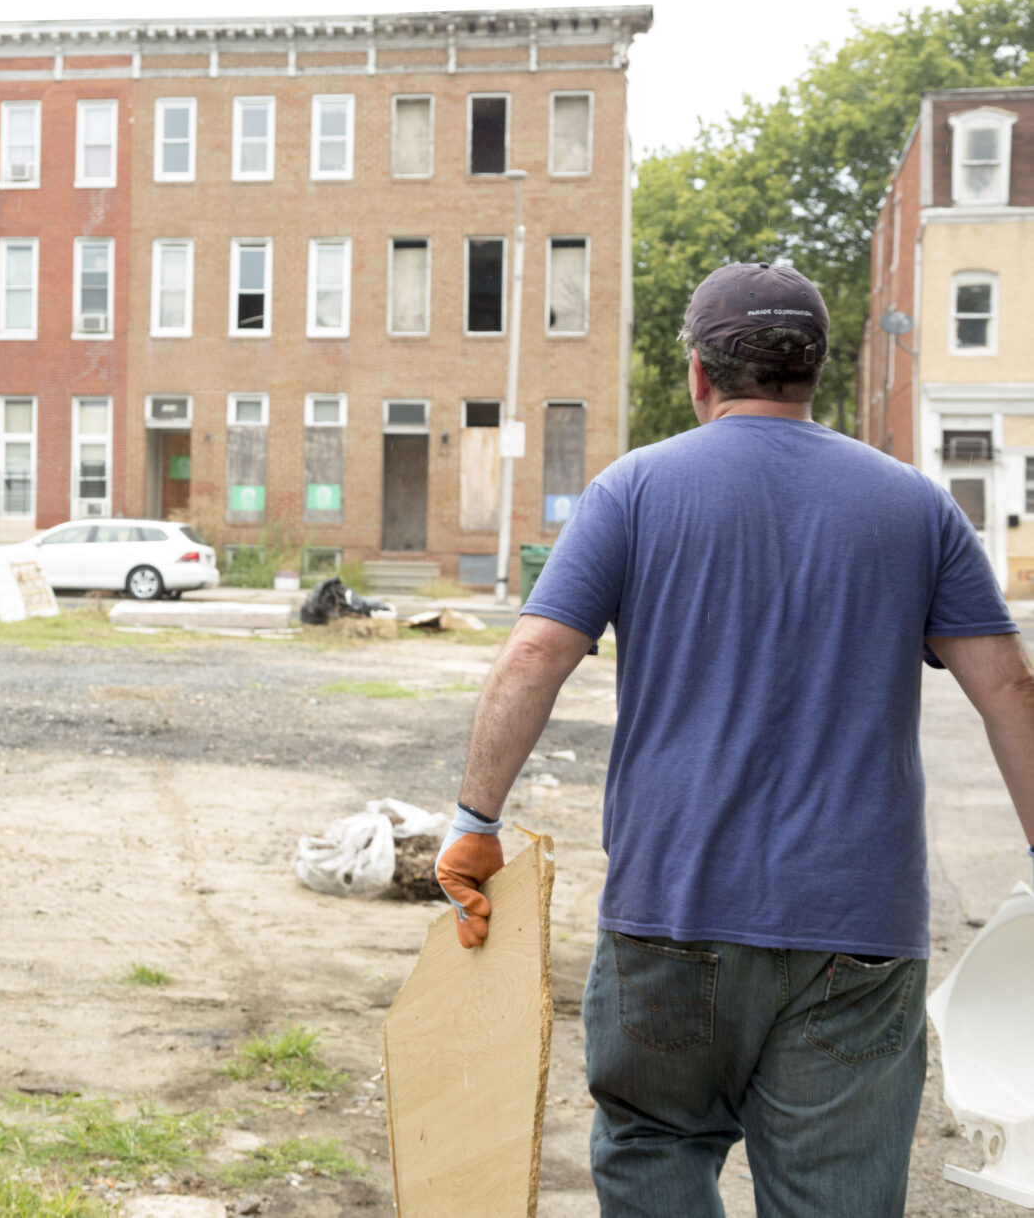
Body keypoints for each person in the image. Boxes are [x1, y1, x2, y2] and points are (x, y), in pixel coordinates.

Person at [435, 262, 1034, 1217]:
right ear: (815, 372)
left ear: (700, 376)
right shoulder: (916, 507)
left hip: (671, 914)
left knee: (653, 1148)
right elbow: (1006, 685)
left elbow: (534, 654)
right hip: (858, 933)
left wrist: (476, 819)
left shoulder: (633, 490)